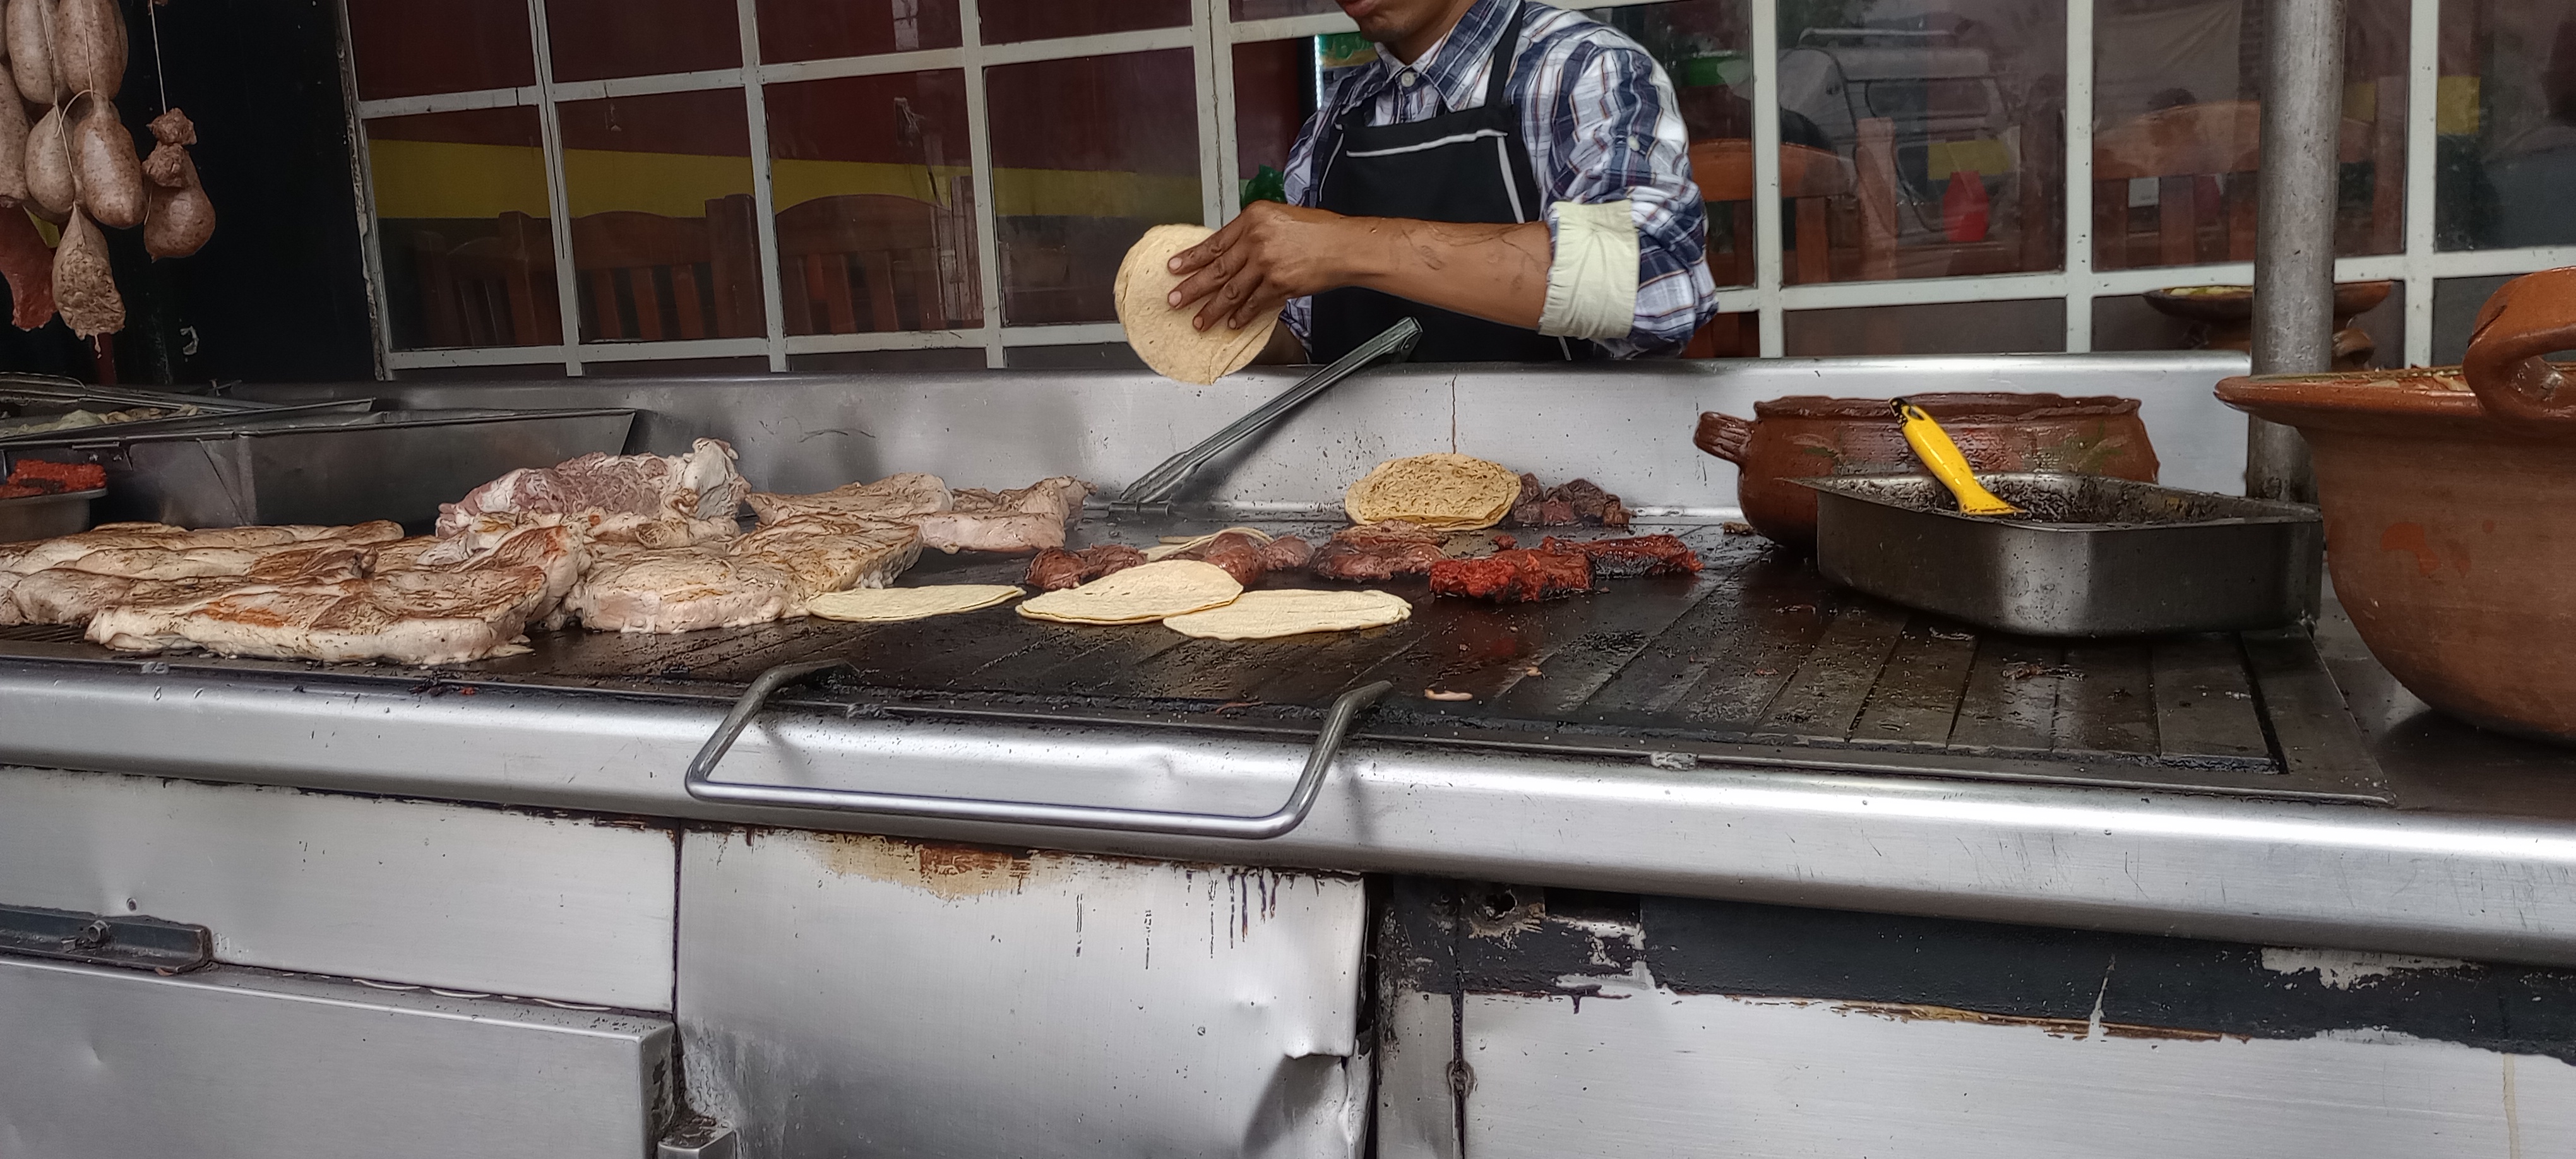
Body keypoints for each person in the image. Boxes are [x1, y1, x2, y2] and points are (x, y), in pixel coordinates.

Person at [1165, 0, 1721, 364]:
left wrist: (1349, 245)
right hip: (1369, 506)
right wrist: (1219, 317)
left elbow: (1654, 282)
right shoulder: (1337, 118)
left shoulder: (1580, 68)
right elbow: (1307, 341)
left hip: (1554, 506)